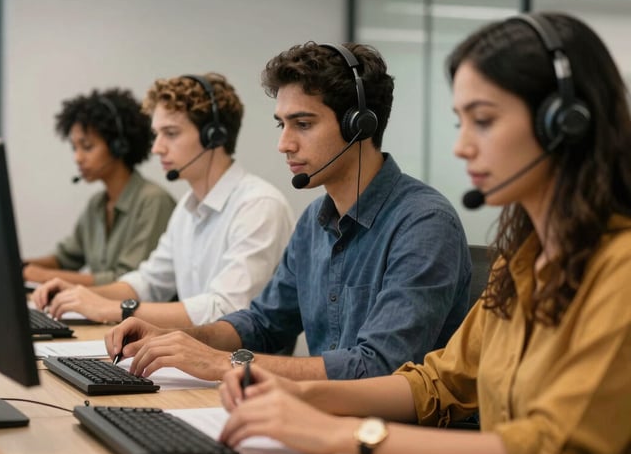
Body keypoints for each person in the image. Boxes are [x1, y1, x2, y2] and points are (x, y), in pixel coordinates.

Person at [218, 13, 631, 454]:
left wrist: (340, 434)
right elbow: (439, 381)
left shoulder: (621, 272)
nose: (461, 147)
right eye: (461, 122)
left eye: (484, 120)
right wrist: (299, 393)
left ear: (565, 124)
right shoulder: (521, 259)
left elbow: (550, 452)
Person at [104, 42, 471, 381]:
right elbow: (263, 323)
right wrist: (174, 339)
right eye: (283, 124)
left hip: (389, 436)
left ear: (359, 125)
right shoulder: (316, 220)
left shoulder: (423, 223)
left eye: (303, 124)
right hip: (320, 415)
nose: (284, 144)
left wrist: (222, 363)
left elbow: (380, 367)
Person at [32, 74, 295, 328]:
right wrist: (83, 294)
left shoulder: (258, 206)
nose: (157, 147)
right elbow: (149, 282)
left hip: (244, 369)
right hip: (194, 361)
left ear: (214, 136)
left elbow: (226, 309)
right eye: (157, 134)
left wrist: (112, 308)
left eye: (170, 133)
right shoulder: (187, 208)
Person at [23, 88, 175, 286]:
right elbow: (64, 259)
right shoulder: (96, 205)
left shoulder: (153, 201)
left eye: (87, 146)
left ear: (118, 146)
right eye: (74, 148)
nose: (77, 158)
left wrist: (42, 276)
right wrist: (19, 266)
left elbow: (127, 281)